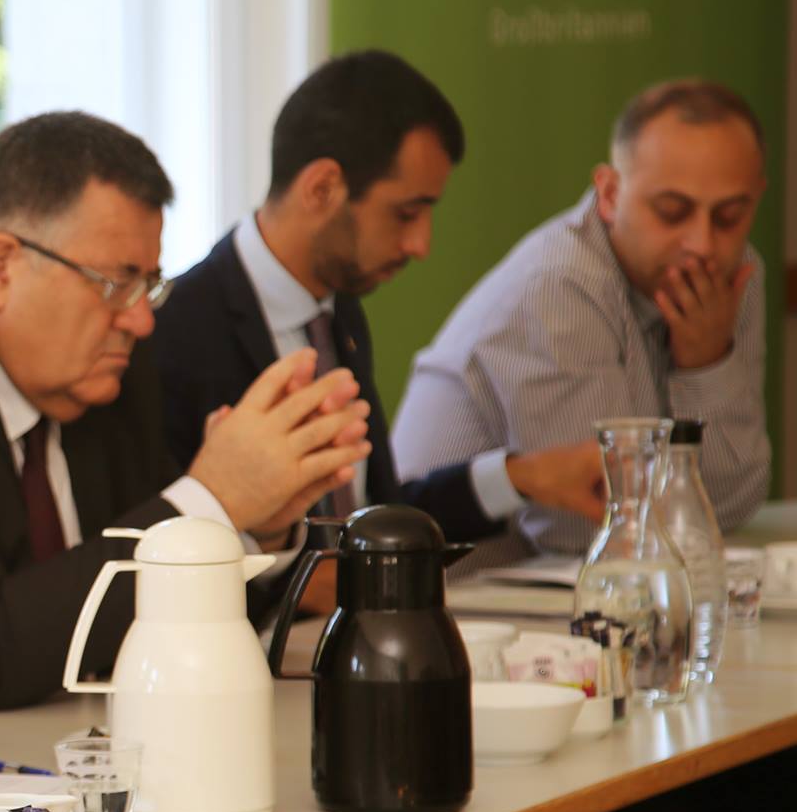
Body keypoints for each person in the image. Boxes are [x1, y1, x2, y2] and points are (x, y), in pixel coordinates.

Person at [0, 110, 373, 713]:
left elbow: (152, 614)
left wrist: (256, 522)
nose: (141, 319)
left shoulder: (101, 368)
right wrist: (214, 502)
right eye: (116, 282)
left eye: (149, 284)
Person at [152, 50, 605, 599]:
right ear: (322, 188)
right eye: (406, 213)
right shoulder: (171, 333)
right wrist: (307, 585)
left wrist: (521, 477)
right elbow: (161, 563)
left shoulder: (337, 310)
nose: (421, 244)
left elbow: (371, 519)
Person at [393, 78, 771, 558]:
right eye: (672, 211)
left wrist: (707, 365)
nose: (702, 244)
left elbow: (731, 507)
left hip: (580, 586)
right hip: (457, 591)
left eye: (729, 216)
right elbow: (589, 531)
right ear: (609, 194)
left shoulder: (735, 275)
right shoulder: (558, 286)